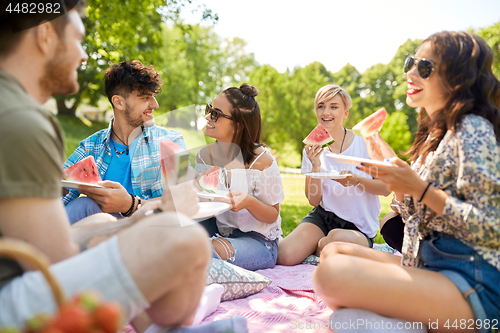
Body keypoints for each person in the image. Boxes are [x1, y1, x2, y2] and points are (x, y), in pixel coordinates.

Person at [0, 1, 211, 329]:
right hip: (14, 297)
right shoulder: (50, 130)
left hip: (25, 261)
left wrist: (131, 208)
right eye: (79, 39)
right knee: (185, 241)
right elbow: (58, 258)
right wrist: (147, 218)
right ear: (44, 35)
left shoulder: (171, 142)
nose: (84, 55)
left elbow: (190, 197)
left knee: (98, 220)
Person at [313, 31, 500, 328]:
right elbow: (417, 216)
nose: (411, 72)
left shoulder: (473, 129)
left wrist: (417, 187)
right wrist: (400, 186)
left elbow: (490, 227)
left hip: (471, 283)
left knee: (332, 277)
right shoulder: (434, 135)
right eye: (410, 62)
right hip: (429, 266)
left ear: (457, 79)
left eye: (424, 67)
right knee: (333, 252)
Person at [277, 85, 390, 266]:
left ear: (345, 113)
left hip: (358, 227)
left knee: (335, 239)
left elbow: (385, 189)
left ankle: (321, 245)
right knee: (284, 256)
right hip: (323, 217)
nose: (326, 112)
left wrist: (357, 181)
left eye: (334, 106)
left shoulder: (366, 144)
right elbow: (314, 200)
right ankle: (323, 246)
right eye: (321, 106)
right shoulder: (312, 150)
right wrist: (315, 165)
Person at [63, 60, 186, 224]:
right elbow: (60, 190)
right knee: (83, 204)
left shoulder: (172, 141)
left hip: (152, 235)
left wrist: (130, 204)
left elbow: (182, 205)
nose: (155, 105)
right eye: (145, 97)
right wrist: (56, 187)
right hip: (101, 233)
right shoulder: (91, 146)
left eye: (154, 97)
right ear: (119, 102)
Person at [195, 83, 284, 271]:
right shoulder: (205, 156)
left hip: (260, 242)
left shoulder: (262, 162)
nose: (206, 117)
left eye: (215, 114)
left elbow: (272, 214)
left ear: (238, 125)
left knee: (203, 252)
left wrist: (249, 202)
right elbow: (205, 202)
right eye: (209, 109)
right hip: (219, 230)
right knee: (170, 235)